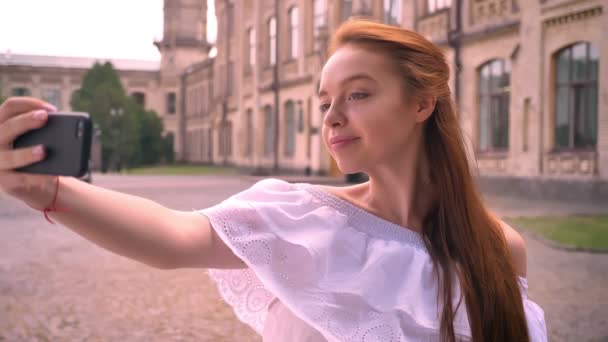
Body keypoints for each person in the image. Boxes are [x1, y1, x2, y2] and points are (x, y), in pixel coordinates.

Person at [0, 19, 547, 342]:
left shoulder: (498, 250)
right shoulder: (304, 216)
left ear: (422, 103)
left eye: (358, 94)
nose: (332, 116)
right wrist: (54, 192)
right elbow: (174, 237)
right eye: (325, 101)